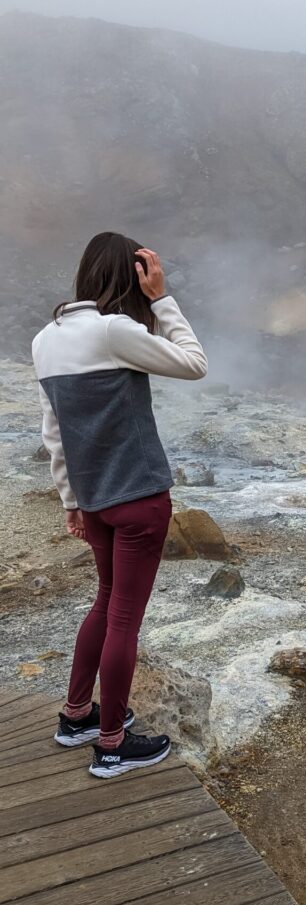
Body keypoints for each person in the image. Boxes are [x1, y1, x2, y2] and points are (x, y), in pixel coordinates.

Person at [32, 231, 207, 778]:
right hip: (139, 498)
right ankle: (110, 746)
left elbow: (54, 432)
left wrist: (72, 501)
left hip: (96, 502)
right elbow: (194, 363)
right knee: (125, 619)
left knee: (106, 602)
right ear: (130, 276)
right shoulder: (114, 330)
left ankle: (76, 715)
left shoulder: (45, 339)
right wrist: (161, 299)